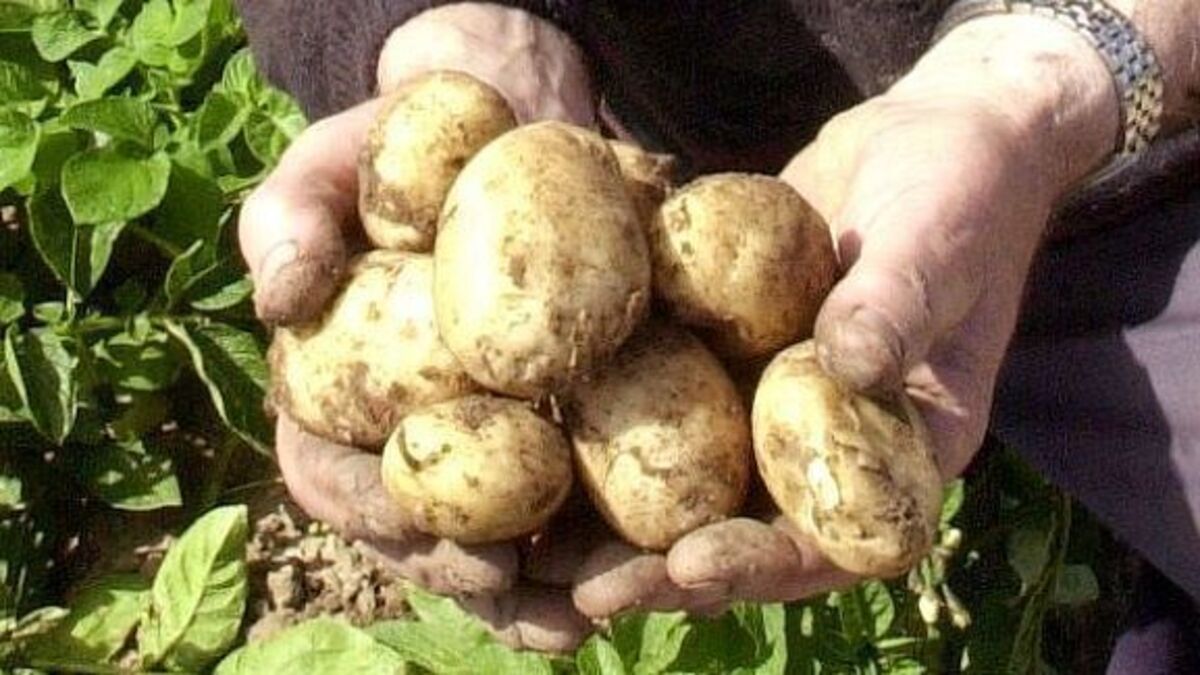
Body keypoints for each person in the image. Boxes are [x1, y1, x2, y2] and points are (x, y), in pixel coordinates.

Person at [234, 0, 1200, 667]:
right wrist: (455, 25)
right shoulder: (603, 217)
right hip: (703, 166)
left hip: (1135, 148)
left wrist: (1061, 72)